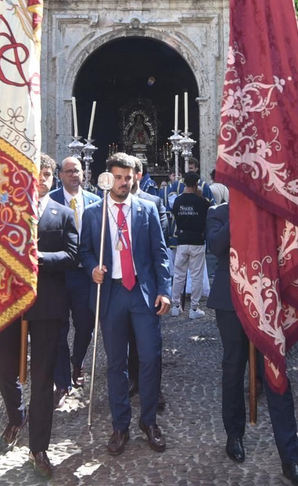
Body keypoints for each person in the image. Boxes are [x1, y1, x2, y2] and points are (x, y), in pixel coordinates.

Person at [206, 184, 298, 486]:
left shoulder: (271, 213)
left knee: (276, 372)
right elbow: (215, 245)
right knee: (233, 369)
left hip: (267, 301)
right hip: (230, 302)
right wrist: (240, 216)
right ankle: (234, 434)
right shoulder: (218, 213)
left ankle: (290, 457)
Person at [79, 153, 171, 456]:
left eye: (128, 178)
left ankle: (148, 421)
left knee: (150, 357)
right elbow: (85, 252)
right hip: (112, 294)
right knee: (116, 363)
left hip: (142, 294)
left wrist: (165, 290)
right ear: (109, 179)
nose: (123, 183)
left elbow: (159, 253)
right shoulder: (95, 214)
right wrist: (93, 268)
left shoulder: (147, 209)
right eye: (118, 177)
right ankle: (120, 424)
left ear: (136, 178)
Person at [0, 154, 78, 477]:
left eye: (44, 174)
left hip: (47, 304)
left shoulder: (63, 214)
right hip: (12, 304)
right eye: (33, 174)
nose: (39, 180)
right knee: (5, 366)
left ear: (51, 178)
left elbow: (71, 255)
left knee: (42, 378)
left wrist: (37, 257)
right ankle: (17, 415)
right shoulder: (9, 212)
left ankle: (38, 447)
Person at [49, 156, 101, 389]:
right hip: (58, 275)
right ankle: (62, 379)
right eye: (68, 171)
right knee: (59, 327)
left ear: (84, 174)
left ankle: (77, 361)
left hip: (84, 275)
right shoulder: (50, 201)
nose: (73, 175)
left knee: (85, 325)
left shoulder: (95, 202)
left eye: (76, 171)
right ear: (60, 175)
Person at [168, 172, 210, 319]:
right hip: (197, 240)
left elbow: (175, 217)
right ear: (196, 184)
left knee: (179, 274)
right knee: (196, 275)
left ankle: (175, 306)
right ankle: (194, 308)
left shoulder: (178, 201)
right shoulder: (202, 202)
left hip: (182, 239)